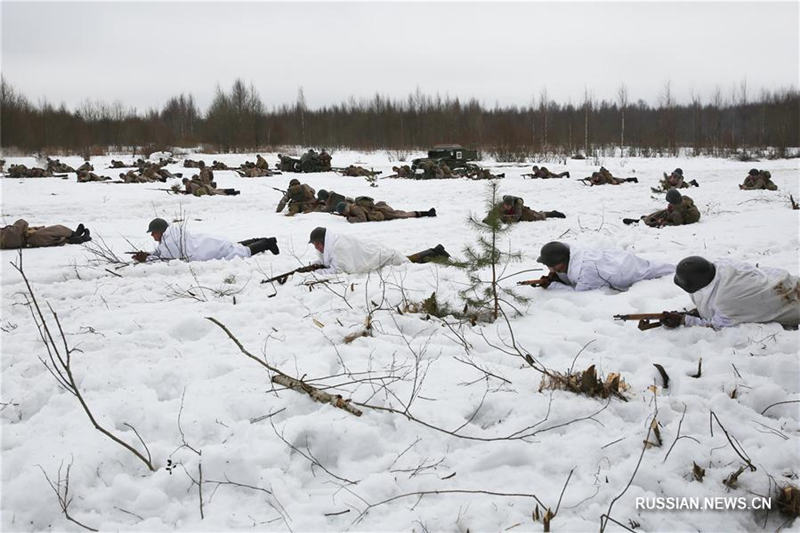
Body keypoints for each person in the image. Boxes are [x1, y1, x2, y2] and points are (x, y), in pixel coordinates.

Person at [662, 256, 799, 329]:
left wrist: (684, 320)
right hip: (789, 282)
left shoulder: (727, 299)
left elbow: (718, 326)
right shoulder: (722, 265)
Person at [535, 241, 674, 291]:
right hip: (615, 259)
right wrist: (560, 277)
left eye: (552, 265)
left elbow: (579, 294)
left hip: (624, 270)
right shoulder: (573, 256)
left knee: (658, 270)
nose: (550, 269)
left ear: (563, 261)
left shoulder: (585, 271)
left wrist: (554, 285)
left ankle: (677, 269)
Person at [306, 227, 450, 275]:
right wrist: (317, 264)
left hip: (379, 256)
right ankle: (434, 251)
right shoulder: (331, 245)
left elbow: (339, 270)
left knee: (405, 262)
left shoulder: (338, 246)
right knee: (405, 259)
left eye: (317, 244)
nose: (316, 248)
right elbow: (328, 261)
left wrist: (318, 272)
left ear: (324, 241)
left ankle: (435, 254)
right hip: (373, 254)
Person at [132, 218, 278, 263]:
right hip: (207, 242)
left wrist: (147, 259)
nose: (152, 236)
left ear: (160, 231)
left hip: (208, 249)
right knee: (234, 246)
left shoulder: (171, 241)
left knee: (240, 251)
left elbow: (168, 259)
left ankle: (267, 243)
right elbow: (161, 252)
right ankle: (263, 240)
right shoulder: (170, 236)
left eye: (153, 233)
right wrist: (147, 254)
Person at [1, 219, 91, 249]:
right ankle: (75, 235)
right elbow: (14, 233)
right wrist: (21, 222)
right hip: (31, 238)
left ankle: (76, 238)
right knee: (57, 229)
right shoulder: (4, 239)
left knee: (57, 239)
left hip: (30, 239)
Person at [335, 197, 436, 223]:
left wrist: (350, 219)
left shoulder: (355, 209)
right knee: (400, 213)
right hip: (379, 210)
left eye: (343, 212)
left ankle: (427, 213)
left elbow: (362, 219)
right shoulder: (353, 206)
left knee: (403, 215)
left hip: (381, 213)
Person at [485, 195, 565, 224]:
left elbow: (517, 218)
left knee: (539, 216)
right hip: (510, 215)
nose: (507, 207)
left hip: (523, 213)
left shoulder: (517, 205)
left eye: (509, 205)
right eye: (506, 205)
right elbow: (492, 212)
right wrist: (487, 220)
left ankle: (552, 213)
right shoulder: (501, 205)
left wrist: (503, 217)